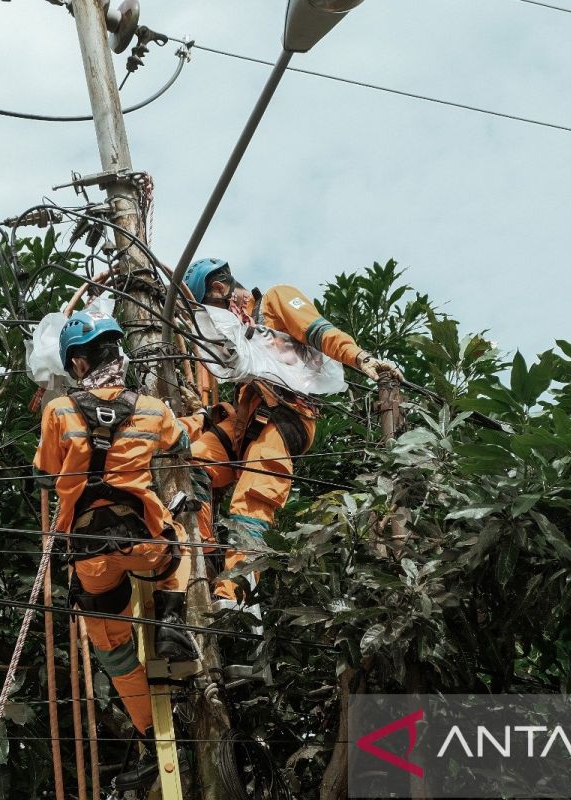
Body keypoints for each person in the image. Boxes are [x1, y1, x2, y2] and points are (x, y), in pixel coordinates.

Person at [33, 310, 198, 790]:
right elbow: (182, 440)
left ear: (78, 363)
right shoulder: (151, 408)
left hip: (89, 553)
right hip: (144, 540)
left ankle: (153, 735)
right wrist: (196, 414)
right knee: (179, 545)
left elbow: (45, 472)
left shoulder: (59, 410)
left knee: (111, 644)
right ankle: (170, 620)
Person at [181, 258, 403, 608]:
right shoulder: (235, 338)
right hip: (245, 426)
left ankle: (238, 596)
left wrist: (361, 359)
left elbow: (318, 329)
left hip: (285, 417)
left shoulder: (273, 302)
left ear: (220, 288)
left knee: (253, 497)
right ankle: (206, 558)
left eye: (211, 306)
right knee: (190, 464)